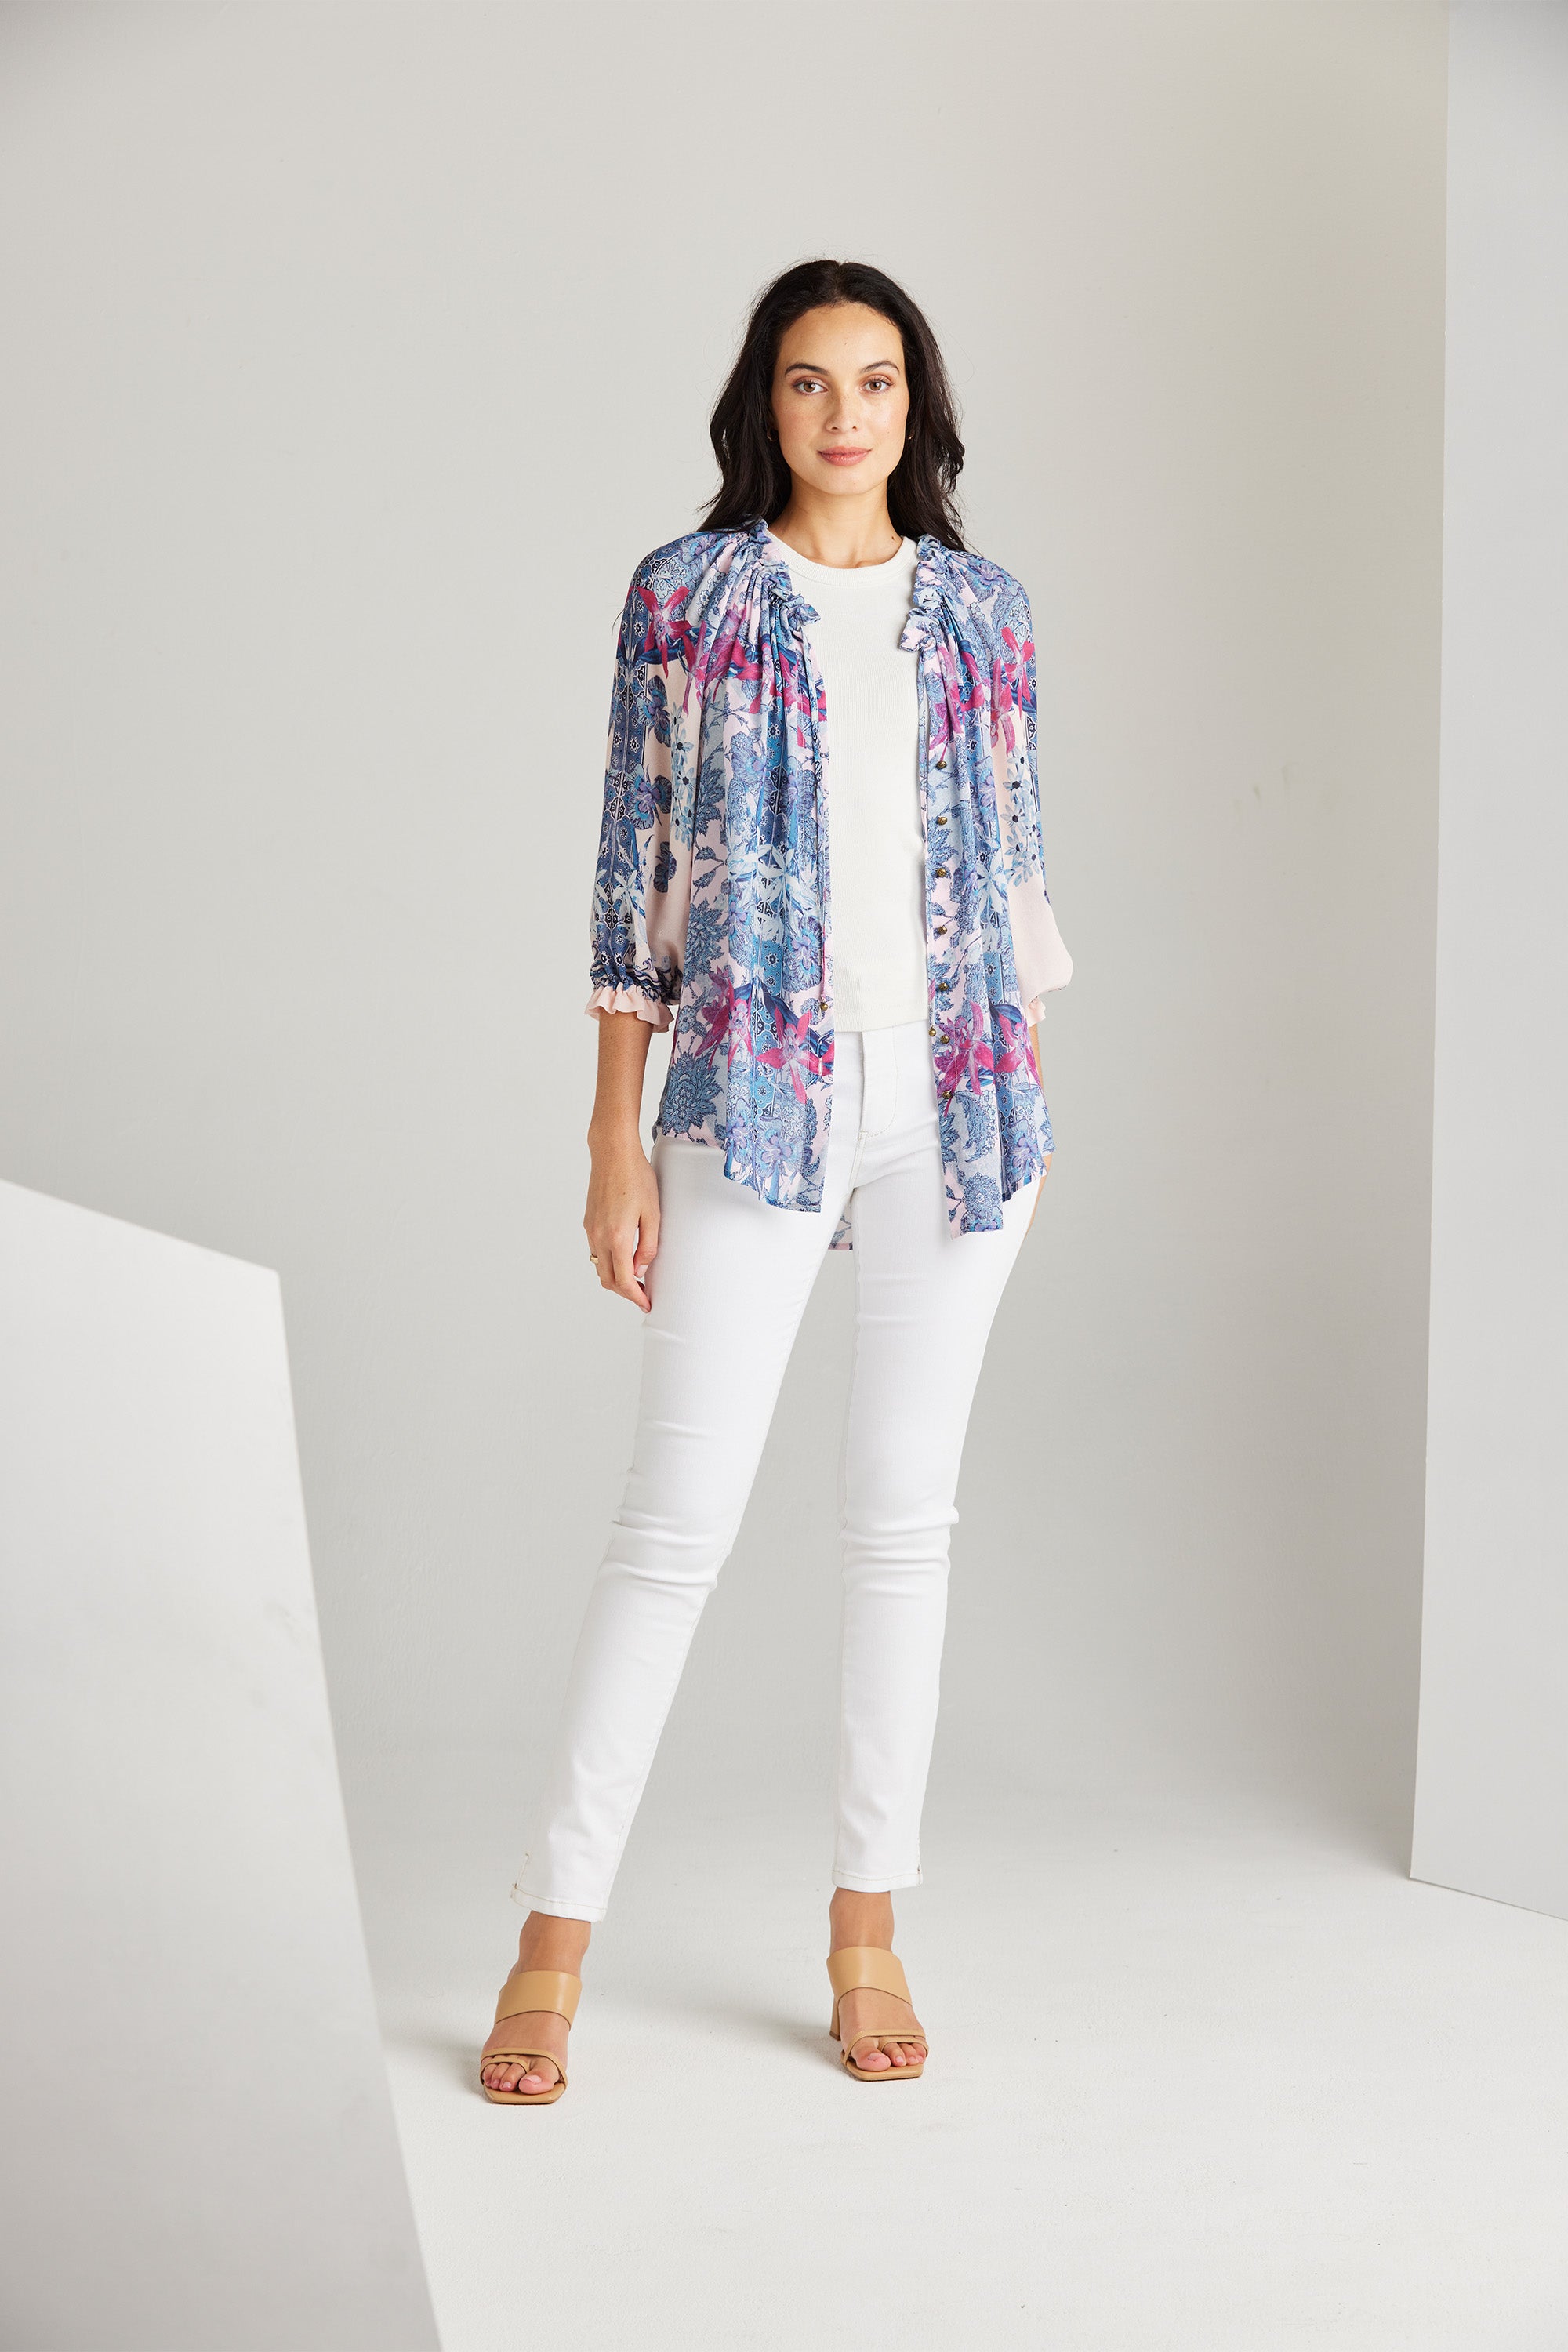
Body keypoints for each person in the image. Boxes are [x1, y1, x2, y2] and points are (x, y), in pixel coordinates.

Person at [481, 258, 1073, 2103]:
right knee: (674, 1525)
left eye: (874, 381)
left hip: (954, 1104)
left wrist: (1013, 1078)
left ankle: (867, 1932)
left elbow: (1013, 868)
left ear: (916, 407)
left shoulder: (984, 611)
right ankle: (548, 1951)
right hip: (750, 1088)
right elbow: (631, 879)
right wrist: (612, 1134)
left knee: (904, 1524)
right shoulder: (687, 597)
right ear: (765, 403)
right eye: (809, 382)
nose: (842, 414)